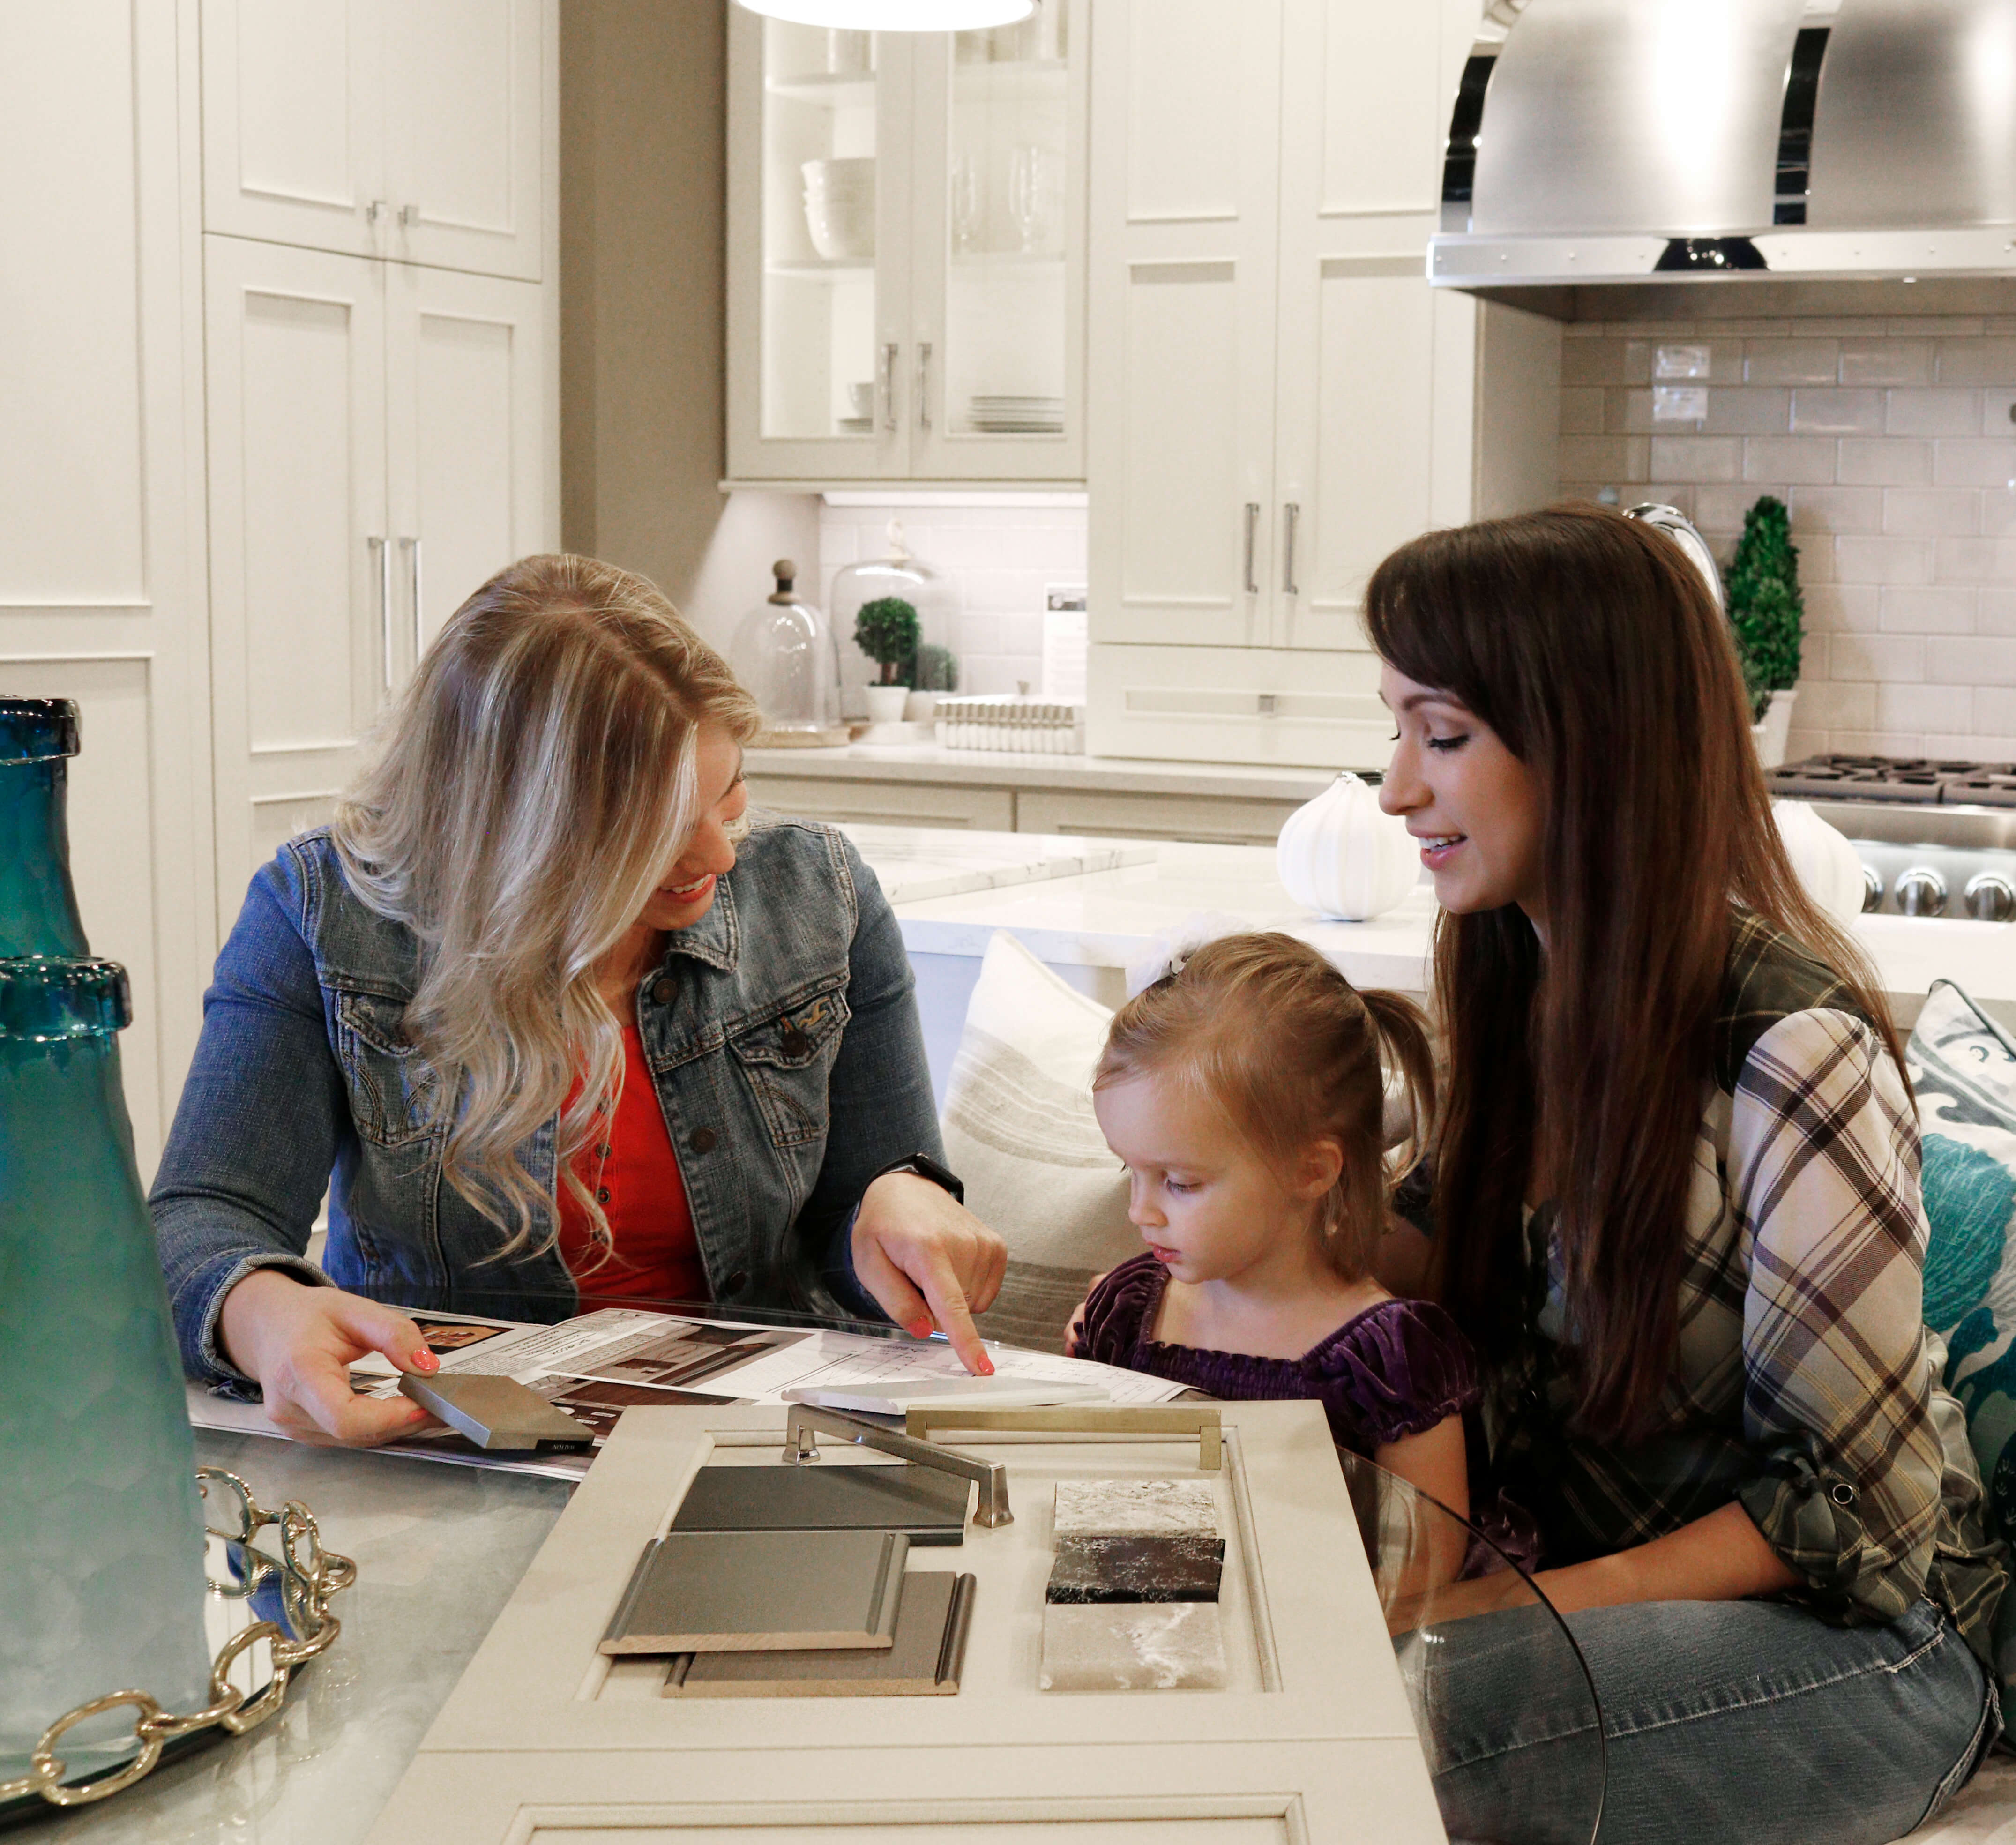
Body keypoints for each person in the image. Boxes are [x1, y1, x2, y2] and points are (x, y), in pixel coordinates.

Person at [1363, 504, 2009, 1845]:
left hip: (1858, 1655)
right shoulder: (1514, 975)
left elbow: (1847, 1515)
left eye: (1441, 735)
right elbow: (1405, 1254)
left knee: (1351, 1717)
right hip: (1594, 1605)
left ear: (1589, 743)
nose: (1393, 789)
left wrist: (1484, 1605)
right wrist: (1213, 1181)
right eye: (1395, 729)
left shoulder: (1792, 1041)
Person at [154, 555, 1008, 1448]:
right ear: (516, 833)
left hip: (758, 1448)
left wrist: (899, 1205)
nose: (720, 856)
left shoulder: (819, 896)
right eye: (661, 832)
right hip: (447, 1451)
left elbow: (853, 1230)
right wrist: (260, 1313)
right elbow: (200, 1220)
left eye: (731, 797)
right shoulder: (326, 915)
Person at [1065, 932, 1476, 1521]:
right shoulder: (1125, 1313)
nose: (1140, 1211)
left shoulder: (1388, 1362)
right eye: (1131, 1168)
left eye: (1180, 1182)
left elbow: (1425, 1565)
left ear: (1310, 1171)